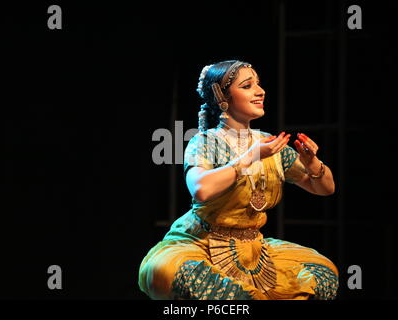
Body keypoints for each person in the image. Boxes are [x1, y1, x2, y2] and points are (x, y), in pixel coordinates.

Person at [138, 60, 339, 300]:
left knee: (325, 274)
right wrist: (250, 156)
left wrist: (312, 162)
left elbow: (325, 189)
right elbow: (200, 189)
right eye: (247, 85)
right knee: (166, 272)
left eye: (258, 84)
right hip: (201, 242)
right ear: (222, 97)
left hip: (253, 248)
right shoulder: (206, 142)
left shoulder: (270, 143)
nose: (260, 91)